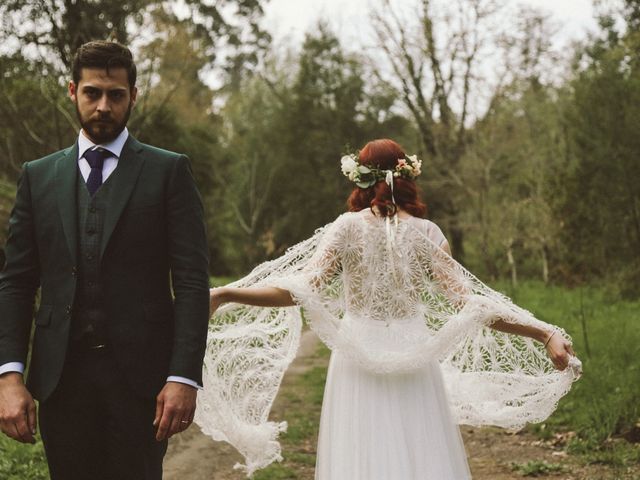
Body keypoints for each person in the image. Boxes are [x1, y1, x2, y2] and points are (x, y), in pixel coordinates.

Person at [202, 138, 581, 479]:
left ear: (358, 178)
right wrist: (543, 333)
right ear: (407, 177)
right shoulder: (428, 232)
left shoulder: (346, 227)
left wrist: (228, 293)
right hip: (414, 349)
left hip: (356, 354)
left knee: (360, 451)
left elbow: (298, 290)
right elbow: (471, 303)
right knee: (420, 447)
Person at [0, 41, 210, 480]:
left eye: (115, 95)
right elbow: (17, 282)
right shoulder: (38, 177)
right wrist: (9, 375)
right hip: (61, 379)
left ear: (133, 96)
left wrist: (183, 377)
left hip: (141, 380)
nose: (102, 106)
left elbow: (191, 281)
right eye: (92, 93)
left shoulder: (168, 171)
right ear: (72, 91)